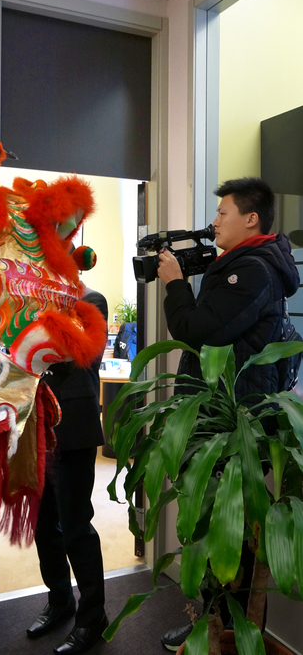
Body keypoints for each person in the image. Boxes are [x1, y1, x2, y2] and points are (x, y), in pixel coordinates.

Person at [156, 177, 300, 651]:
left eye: (223, 213)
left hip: (234, 426)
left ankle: (228, 628)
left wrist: (176, 284)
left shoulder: (253, 270)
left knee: (229, 534)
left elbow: (197, 330)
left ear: (251, 218)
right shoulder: (242, 264)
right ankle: (215, 624)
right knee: (219, 529)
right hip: (226, 419)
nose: (214, 221)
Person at [26, 287, 109, 654]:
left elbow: (77, 350)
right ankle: (60, 601)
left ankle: (93, 618)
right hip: (35, 426)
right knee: (44, 523)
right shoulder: (24, 305)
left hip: (74, 427)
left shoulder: (91, 302)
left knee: (76, 525)